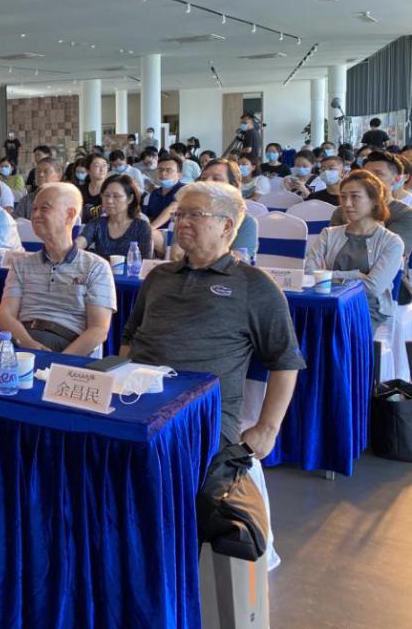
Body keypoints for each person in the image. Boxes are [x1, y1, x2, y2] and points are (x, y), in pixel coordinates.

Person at [121, 182, 305, 454]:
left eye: (195, 215)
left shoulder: (254, 285)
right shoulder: (159, 276)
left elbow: (285, 359)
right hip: (137, 403)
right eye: (179, 215)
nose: (182, 222)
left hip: (201, 417)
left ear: (227, 226)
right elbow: (130, 337)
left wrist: (267, 429)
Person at [0, 183, 116, 354]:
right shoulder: (21, 264)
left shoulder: (96, 267)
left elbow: (98, 330)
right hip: (22, 342)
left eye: (44, 209)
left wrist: (61, 360)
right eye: (34, 209)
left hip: (66, 345)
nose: (35, 215)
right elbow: (5, 314)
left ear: (70, 215)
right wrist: (29, 344)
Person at [307, 170, 405, 331]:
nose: (347, 203)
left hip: (367, 309)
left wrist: (326, 276)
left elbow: (373, 288)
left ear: (374, 201)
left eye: (355, 196)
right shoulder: (328, 234)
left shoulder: (392, 242)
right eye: (343, 196)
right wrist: (356, 275)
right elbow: (308, 274)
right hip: (329, 302)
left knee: (332, 330)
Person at [77, 174, 153, 261]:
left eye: (116, 196)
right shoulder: (97, 224)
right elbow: (81, 241)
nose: (109, 201)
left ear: (130, 199)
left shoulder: (142, 227)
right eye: (106, 195)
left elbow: (146, 262)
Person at [195, 159, 259, 260]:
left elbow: (237, 260)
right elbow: (176, 254)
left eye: (216, 179)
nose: (206, 183)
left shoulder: (245, 222)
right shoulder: (188, 216)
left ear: (232, 186)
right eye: (203, 178)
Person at [143, 155, 185, 229]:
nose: (163, 173)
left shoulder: (185, 189)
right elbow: (148, 217)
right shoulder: (154, 194)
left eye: (169, 170)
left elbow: (172, 208)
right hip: (155, 232)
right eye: (160, 170)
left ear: (179, 175)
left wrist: (151, 228)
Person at [78, 154, 110, 221]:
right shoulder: (80, 191)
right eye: (97, 166)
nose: (102, 169)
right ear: (88, 170)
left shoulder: (111, 190)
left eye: (104, 165)